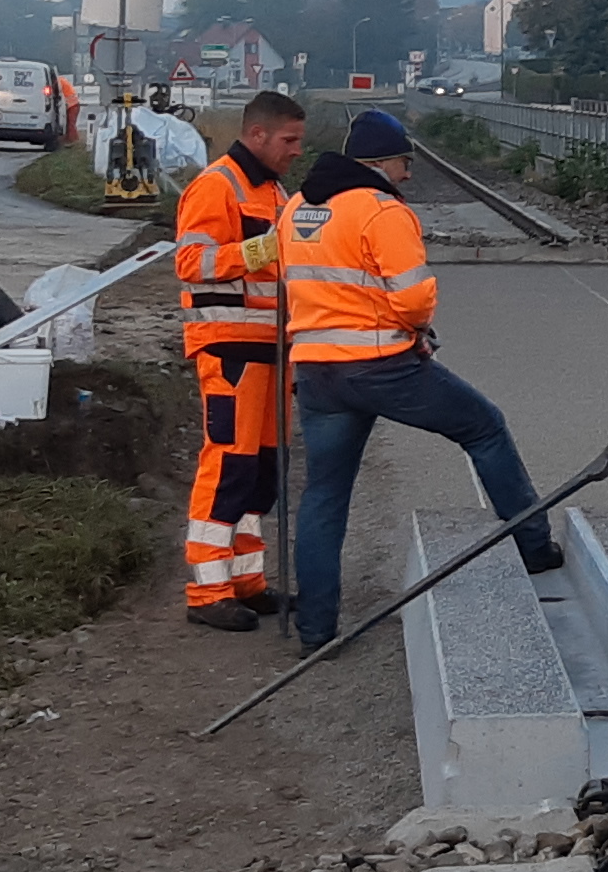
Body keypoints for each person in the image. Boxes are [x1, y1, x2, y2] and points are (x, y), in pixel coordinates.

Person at [282, 109, 561, 648]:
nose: (408, 174)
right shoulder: (381, 210)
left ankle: (315, 629)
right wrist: (417, 328)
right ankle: (534, 545)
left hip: (316, 372)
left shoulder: (296, 208)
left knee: (324, 495)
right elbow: (411, 298)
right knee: (484, 428)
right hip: (383, 366)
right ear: (381, 163)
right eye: (404, 164)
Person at [171, 87, 304, 628]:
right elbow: (189, 261)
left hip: (272, 351)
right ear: (258, 135)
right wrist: (259, 251)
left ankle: (247, 580)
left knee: (261, 473)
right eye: (289, 140)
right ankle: (207, 592)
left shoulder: (272, 191)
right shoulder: (217, 185)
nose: (297, 150)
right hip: (230, 349)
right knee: (228, 464)